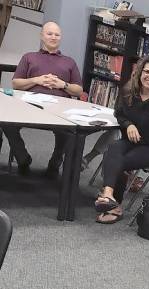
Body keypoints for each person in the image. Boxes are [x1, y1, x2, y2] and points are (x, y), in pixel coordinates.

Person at [93, 56, 149, 224]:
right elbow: (119, 113)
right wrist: (129, 125)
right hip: (131, 141)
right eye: (147, 72)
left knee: (121, 161)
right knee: (113, 148)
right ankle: (108, 195)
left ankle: (115, 206)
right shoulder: (129, 91)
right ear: (139, 73)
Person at [6, 21, 83, 176]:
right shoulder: (29, 57)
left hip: (58, 109)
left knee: (68, 131)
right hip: (29, 105)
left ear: (60, 38)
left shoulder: (69, 62)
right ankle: (22, 158)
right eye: (49, 33)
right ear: (42, 36)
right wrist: (36, 80)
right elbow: (15, 84)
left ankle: (55, 162)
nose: (53, 37)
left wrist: (63, 84)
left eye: (57, 34)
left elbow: (78, 90)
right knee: (7, 124)